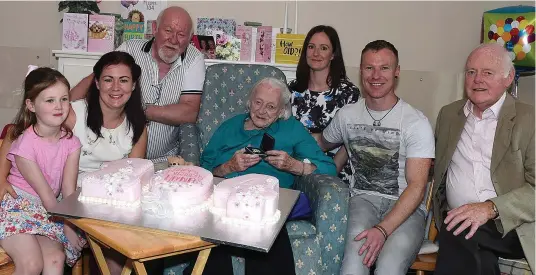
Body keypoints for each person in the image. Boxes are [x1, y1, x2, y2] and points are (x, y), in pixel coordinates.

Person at [0, 51, 148, 274]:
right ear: (96, 82)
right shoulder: (71, 113)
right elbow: (16, 133)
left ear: (134, 85)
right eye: (108, 79)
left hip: (95, 204)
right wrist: (0, 178)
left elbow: (132, 176)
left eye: (124, 80)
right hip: (51, 204)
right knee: (32, 263)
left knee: (114, 256)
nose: (116, 87)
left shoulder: (134, 127)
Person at [196, 77, 337, 275]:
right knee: (212, 257)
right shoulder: (229, 127)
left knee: (269, 245)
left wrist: (294, 166)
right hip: (225, 203)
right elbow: (204, 170)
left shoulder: (292, 129)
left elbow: (329, 168)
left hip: (268, 207)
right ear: (250, 102)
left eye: (271, 106)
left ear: (281, 111)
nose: (262, 111)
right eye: (258, 102)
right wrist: (227, 167)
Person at [319, 40, 435, 275]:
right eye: (369, 67)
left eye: (384, 67)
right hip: (362, 200)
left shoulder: (416, 122)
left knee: (389, 268)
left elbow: (417, 187)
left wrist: (382, 230)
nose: (376, 75)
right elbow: (320, 142)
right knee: (353, 265)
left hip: (407, 208)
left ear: (397, 71)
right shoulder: (347, 115)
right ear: (360, 70)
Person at [432, 43, 534, 275]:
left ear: (508, 78)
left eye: (487, 73)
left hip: (514, 226)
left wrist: (491, 208)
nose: (477, 79)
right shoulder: (448, 115)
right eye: (471, 72)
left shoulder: (529, 119)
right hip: (460, 223)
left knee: (458, 231)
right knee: (473, 250)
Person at [69, 6, 206, 163]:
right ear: (154, 28)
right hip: (119, 158)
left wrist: (139, 111)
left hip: (166, 161)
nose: (174, 40)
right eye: (168, 31)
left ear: (190, 38)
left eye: (181, 35)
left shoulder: (194, 59)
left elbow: (189, 112)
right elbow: (84, 90)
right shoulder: (130, 49)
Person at [0, 68, 85, 274]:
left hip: (48, 212)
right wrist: (66, 225)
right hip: (17, 208)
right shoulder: (25, 144)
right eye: (49, 101)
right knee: (31, 264)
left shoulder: (72, 143)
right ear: (31, 105)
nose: (59, 106)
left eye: (64, 99)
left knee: (56, 260)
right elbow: (47, 194)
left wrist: (71, 224)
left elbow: (68, 190)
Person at [289, 25, 360, 184]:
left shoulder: (348, 93)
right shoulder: (292, 90)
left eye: (323, 48)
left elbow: (350, 141)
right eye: (311, 47)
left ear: (333, 54)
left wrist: (332, 170)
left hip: (333, 173)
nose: (316, 53)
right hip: (294, 169)